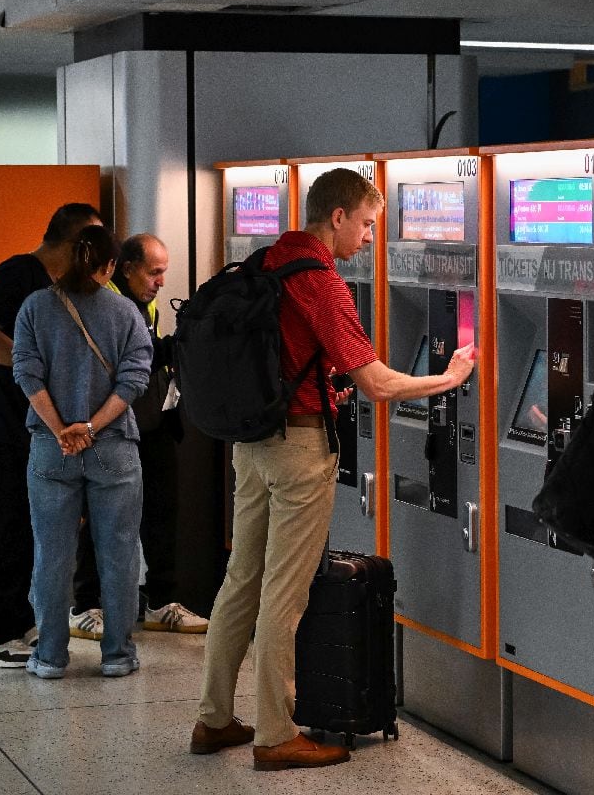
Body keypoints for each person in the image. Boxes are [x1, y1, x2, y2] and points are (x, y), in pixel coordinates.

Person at [191, 168, 475, 769]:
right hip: (298, 450)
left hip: (253, 443)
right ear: (338, 217)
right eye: (368, 224)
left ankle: (215, 719)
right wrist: (446, 379)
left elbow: (290, 358)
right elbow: (376, 383)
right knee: (284, 596)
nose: (371, 237)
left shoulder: (269, 260)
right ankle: (274, 734)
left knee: (241, 579)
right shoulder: (320, 280)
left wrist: (324, 388)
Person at [0, 203, 102, 667]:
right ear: (77, 242)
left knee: (24, 532)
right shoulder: (19, 273)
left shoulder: (55, 285)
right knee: (1, 533)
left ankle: (15, 620)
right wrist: (31, 369)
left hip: (26, 433)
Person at [11, 224, 153, 678]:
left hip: (53, 451)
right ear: (111, 266)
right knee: (118, 553)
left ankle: (50, 655)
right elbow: (134, 379)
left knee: (51, 554)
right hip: (113, 448)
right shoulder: (126, 312)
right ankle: (117, 654)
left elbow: (27, 374)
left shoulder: (35, 307)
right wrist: (90, 427)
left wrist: (62, 431)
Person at [68, 233, 209, 642]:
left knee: (163, 514)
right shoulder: (105, 304)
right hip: (113, 430)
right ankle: (86, 606)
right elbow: (132, 359)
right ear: (125, 268)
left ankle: (161, 602)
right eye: (154, 272)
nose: (161, 281)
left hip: (154, 425)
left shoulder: (144, 304)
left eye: (164, 272)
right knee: (103, 516)